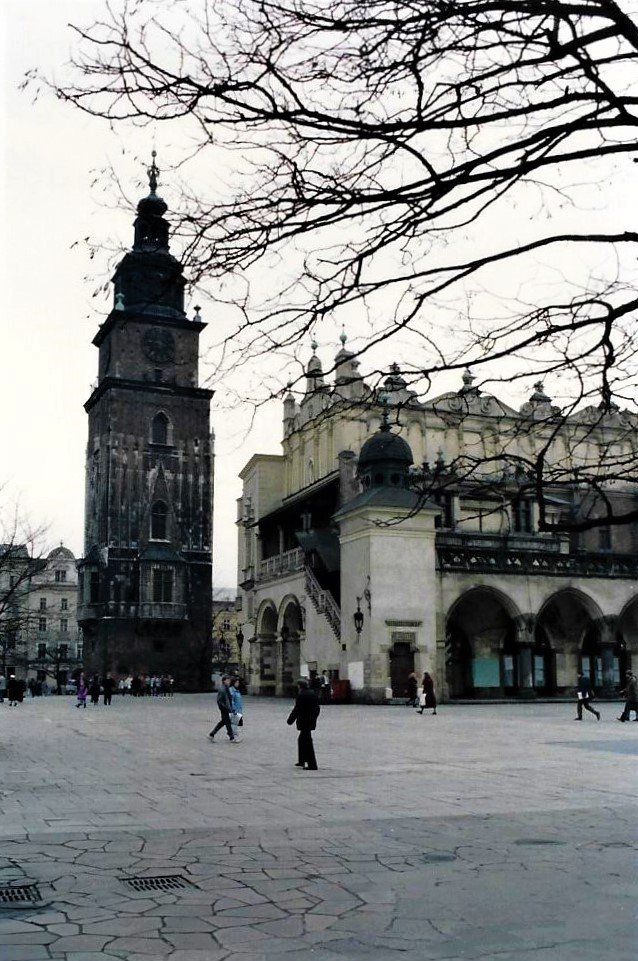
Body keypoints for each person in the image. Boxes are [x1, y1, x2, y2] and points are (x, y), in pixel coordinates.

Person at [287, 678, 320, 770]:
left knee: (307, 742)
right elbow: (317, 708)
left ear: (300, 686)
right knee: (301, 739)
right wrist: (314, 718)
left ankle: (312, 764)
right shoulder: (312, 693)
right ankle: (302, 760)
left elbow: (297, 709)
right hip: (310, 721)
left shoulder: (302, 695)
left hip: (304, 721)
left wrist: (290, 720)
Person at [209, 675, 237, 741]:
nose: (229, 681)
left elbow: (228, 699)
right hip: (224, 708)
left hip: (226, 708)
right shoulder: (222, 689)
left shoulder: (226, 688)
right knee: (228, 722)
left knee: (223, 722)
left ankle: (212, 734)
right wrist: (225, 707)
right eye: (228, 680)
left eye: (229, 680)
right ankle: (232, 737)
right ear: (224, 681)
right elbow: (219, 700)